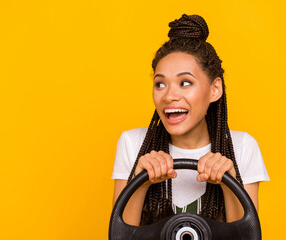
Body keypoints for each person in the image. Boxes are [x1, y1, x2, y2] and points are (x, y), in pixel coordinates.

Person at [111, 14, 269, 226]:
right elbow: (119, 235)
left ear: (215, 89)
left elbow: (246, 236)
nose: (168, 96)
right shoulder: (132, 144)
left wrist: (229, 182)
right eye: (160, 84)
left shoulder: (243, 147)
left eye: (185, 83)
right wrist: (140, 184)